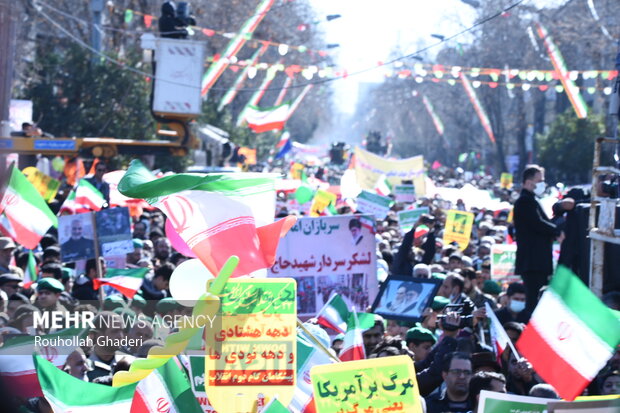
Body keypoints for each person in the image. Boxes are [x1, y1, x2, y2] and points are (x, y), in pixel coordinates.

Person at [513, 165, 561, 312]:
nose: (542, 183)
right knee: (533, 302)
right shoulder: (524, 202)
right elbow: (537, 223)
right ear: (529, 182)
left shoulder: (532, 200)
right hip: (532, 262)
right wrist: (557, 231)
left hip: (537, 262)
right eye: (540, 180)